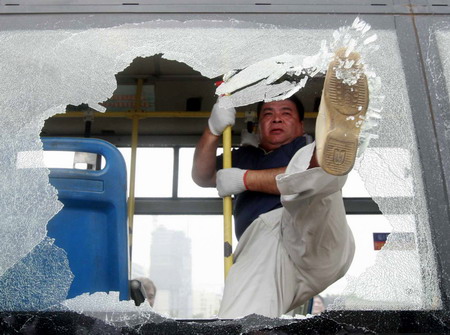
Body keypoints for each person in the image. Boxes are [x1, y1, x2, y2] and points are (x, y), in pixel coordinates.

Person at [192, 48, 367, 318]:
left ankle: (334, 134)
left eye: (285, 113)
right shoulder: (242, 156)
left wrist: (244, 179)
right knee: (242, 319)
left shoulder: (303, 145)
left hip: (315, 236)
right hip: (265, 247)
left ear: (300, 125)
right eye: (267, 114)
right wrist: (212, 130)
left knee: (315, 177)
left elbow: (301, 180)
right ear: (258, 126)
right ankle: (336, 130)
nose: (276, 118)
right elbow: (202, 177)